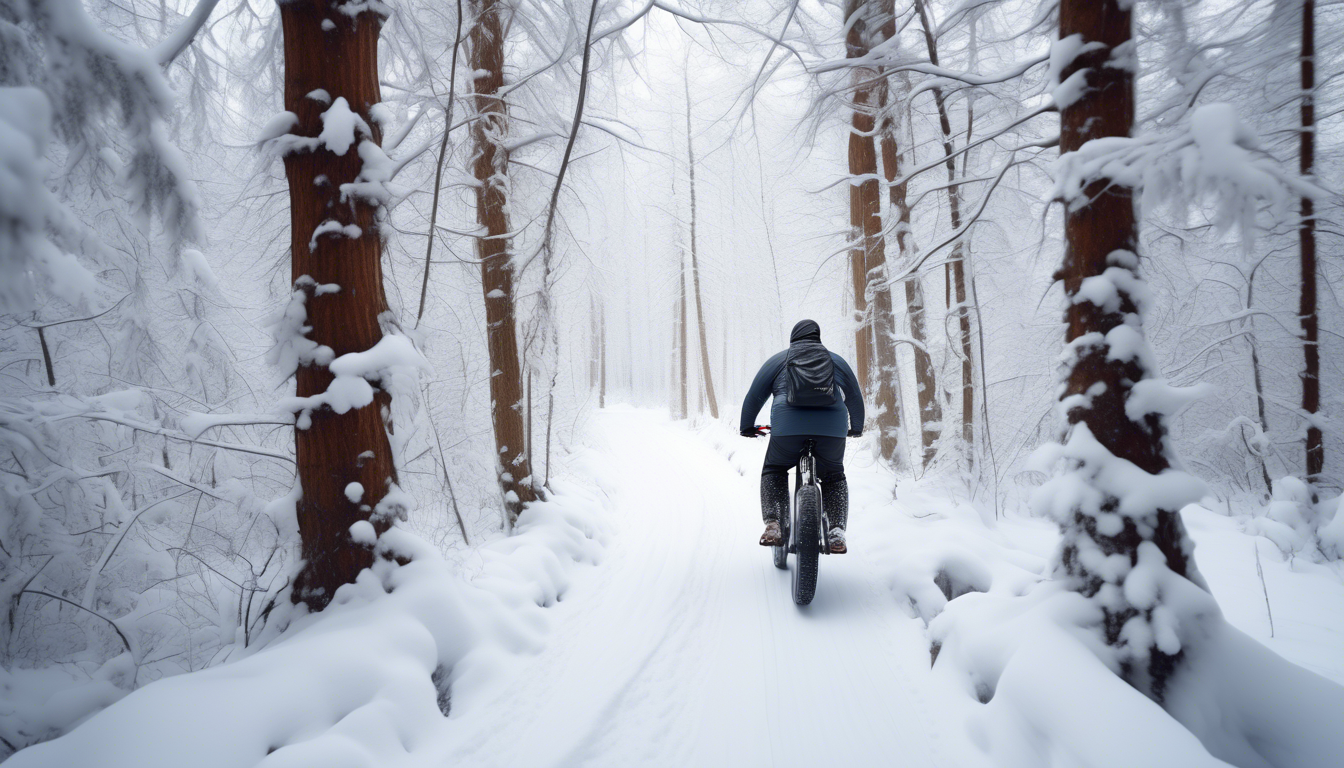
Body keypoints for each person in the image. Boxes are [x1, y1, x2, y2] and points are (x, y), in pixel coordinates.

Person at [739, 319, 863, 554]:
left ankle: (774, 523)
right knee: (834, 476)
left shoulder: (779, 360)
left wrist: (747, 426)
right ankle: (836, 530)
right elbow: (854, 397)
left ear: (793, 338)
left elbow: (754, 396)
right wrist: (855, 427)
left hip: (787, 428)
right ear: (818, 337)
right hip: (831, 430)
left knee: (774, 469)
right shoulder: (835, 360)